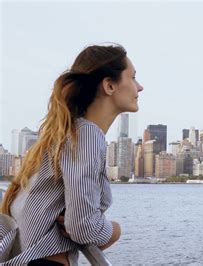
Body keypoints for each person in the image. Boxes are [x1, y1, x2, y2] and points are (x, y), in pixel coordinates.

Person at [0, 43, 144, 265]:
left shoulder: (69, 134)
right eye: (133, 78)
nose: (140, 87)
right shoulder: (86, 136)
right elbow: (82, 227)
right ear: (109, 86)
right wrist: (115, 230)